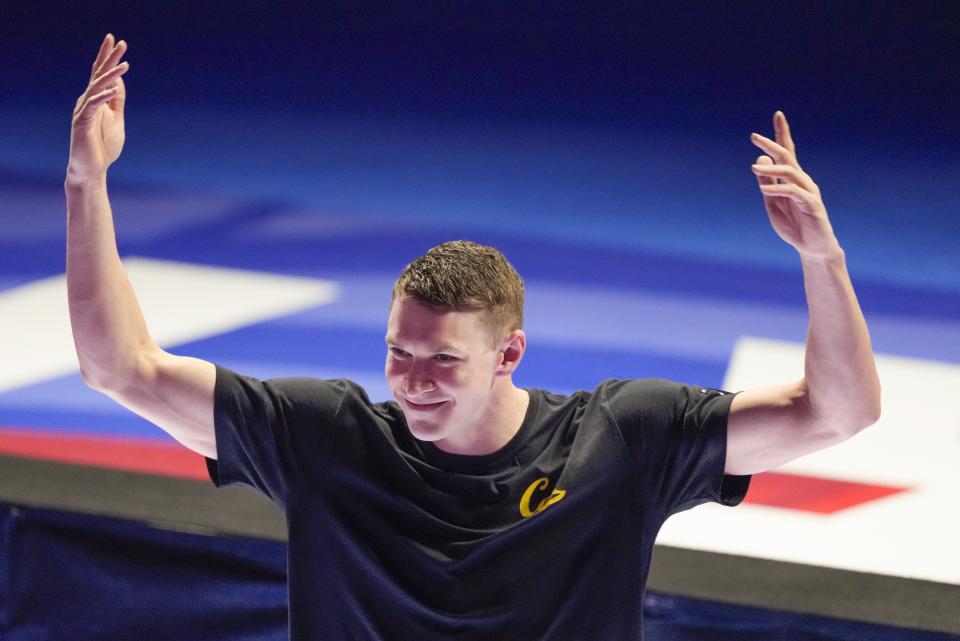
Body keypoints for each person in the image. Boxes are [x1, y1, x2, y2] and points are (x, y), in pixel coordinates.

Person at [66, 34, 881, 641]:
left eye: (444, 359)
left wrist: (822, 256)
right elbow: (118, 368)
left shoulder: (621, 439)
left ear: (510, 354)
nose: (412, 379)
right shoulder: (323, 435)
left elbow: (838, 413)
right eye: (399, 352)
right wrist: (85, 182)